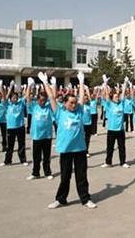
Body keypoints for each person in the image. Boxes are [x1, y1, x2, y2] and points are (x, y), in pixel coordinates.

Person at [40, 71, 97, 209]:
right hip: (66, 150)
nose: (74, 105)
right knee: (65, 176)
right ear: (65, 103)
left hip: (80, 149)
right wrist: (45, 82)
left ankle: (85, 199)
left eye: (75, 103)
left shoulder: (79, 111)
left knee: (81, 176)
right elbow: (52, 98)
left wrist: (82, 82)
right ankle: (60, 199)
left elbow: (82, 98)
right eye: (71, 103)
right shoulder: (59, 112)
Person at [25, 77, 54, 180]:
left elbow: (52, 98)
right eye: (40, 100)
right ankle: (35, 173)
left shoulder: (49, 108)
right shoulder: (34, 107)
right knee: (36, 157)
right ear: (37, 100)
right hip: (37, 136)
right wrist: (29, 86)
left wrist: (51, 85)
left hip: (47, 136)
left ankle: (47, 172)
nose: (42, 102)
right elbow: (28, 97)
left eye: (44, 100)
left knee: (46, 156)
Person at [101, 76, 130, 168]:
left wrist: (125, 83)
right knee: (110, 147)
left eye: (118, 96)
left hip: (120, 130)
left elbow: (123, 93)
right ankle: (108, 162)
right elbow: (106, 95)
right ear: (112, 98)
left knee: (122, 147)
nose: (117, 98)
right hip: (111, 130)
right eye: (116, 97)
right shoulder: (109, 105)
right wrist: (105, 83)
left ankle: (123, 162)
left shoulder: (121, 103)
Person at [0, 79, 28, 166]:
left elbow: (26, 96)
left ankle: (23, 160)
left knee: (21, 144)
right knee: (10, 146)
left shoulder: (21, 103)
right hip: (11, 128)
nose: (15, 99)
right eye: (13, 98)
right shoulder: (7, 105)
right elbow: (4, 97)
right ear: (11, 99)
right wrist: (3, 87)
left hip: (20, 127)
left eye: (16, 98)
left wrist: (28, 86)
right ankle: (7, 161)